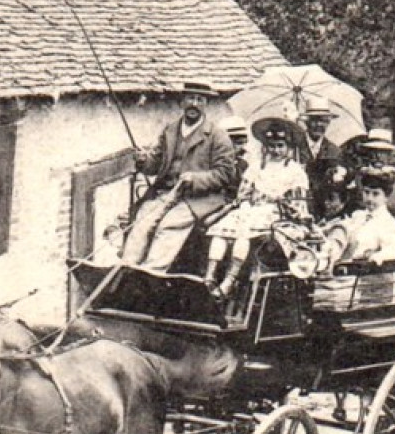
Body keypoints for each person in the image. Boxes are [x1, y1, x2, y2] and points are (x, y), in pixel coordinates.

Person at [120, 81, 237, 270]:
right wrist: (143, 160)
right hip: (166, 194)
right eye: (190, 98)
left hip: (199, 199)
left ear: (205, 104)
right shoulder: (170, 130)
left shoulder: (217, 135)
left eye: (200, 99)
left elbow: (225, 174)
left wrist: (196, 179)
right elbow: (154, 165)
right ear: (182, 102)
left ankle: (151, 273)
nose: (194, 104)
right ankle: (125, 270)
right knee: (142, 222)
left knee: (168, 226)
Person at [204, 117, 309, 299]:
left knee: (243, 235)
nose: (275, 150)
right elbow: (243, 194)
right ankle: (209, 276)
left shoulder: (295, 171)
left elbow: (299, 205)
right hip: (251, 210)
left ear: (288, 148)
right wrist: (245, 204)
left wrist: (284, 203)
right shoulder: (256, 168)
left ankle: (229, 281)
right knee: (221, 231)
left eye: (280, 146)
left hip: (276, 215)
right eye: (271, 145)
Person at [340, 167, 395, 265]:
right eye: (366, 192)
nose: (369, 198)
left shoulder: (392, 226)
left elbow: (392, 252)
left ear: (386, 197)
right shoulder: (358, 217)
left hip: (372, 275)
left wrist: (373, 257)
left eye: (375, 194)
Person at [300, 95, 348, 219]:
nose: (319, 124)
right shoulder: (294, 146)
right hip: (298, 205)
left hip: (323, 211)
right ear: (306, 121)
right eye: (315, 120)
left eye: (324, 120)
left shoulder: (334, 151)